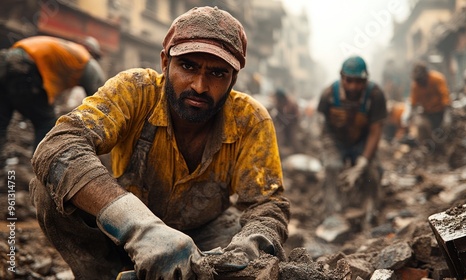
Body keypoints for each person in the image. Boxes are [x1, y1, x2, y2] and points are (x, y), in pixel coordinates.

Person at [30, 6, 290, 280]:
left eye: (217, 74)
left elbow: (267, 203)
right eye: (188, 66)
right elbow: (58, 146)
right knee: (49, 190)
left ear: (233, 79)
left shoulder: (251, 120)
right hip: (120, 235)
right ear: (165, 62)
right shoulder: (135, 90)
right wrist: (139, 227)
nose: (200, 86)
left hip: (204, 239)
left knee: (242, 242)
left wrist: (251, 246)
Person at [0, 35, 105, 165]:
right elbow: (100, 98)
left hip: (6, 61)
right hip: (24, 67)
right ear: (91, 51)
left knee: (2, 120)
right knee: (46, 123)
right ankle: (41, 166)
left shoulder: (66, 51)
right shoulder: (85, 58)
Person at [317, 55, 387, 223]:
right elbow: (322, 126)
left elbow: (375, 131)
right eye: (349, 81)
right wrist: (327, 151)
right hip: (335, 139)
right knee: (333, 167)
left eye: (359, 81)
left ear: (366, 80)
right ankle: (331, 211)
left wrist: (362, 162)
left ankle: (371, 209)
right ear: (342, 78)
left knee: (371, 171)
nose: (354, 86)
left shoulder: (375, 95)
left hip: (362, 141)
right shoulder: (328, 95)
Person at [404, 61, 451, 154]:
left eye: (421, 79)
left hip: (442, 111)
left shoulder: (438, 79)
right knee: (420, 125)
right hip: (428, 113)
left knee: (446, 128)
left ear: (426, 74)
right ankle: (431, 149)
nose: (420, 82)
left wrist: (447, 115)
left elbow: (445, 97)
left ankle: (448, 147)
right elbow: (413, 103)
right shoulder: (415, 86)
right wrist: (409, 117)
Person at [273, 88, 301, 155]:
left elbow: (293, 115)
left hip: (293, 122)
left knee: (292, 137)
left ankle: (298, 152)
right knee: (281, 136)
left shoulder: (290, 102)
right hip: (284, 122)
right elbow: (278, 110)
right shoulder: (280, 101)